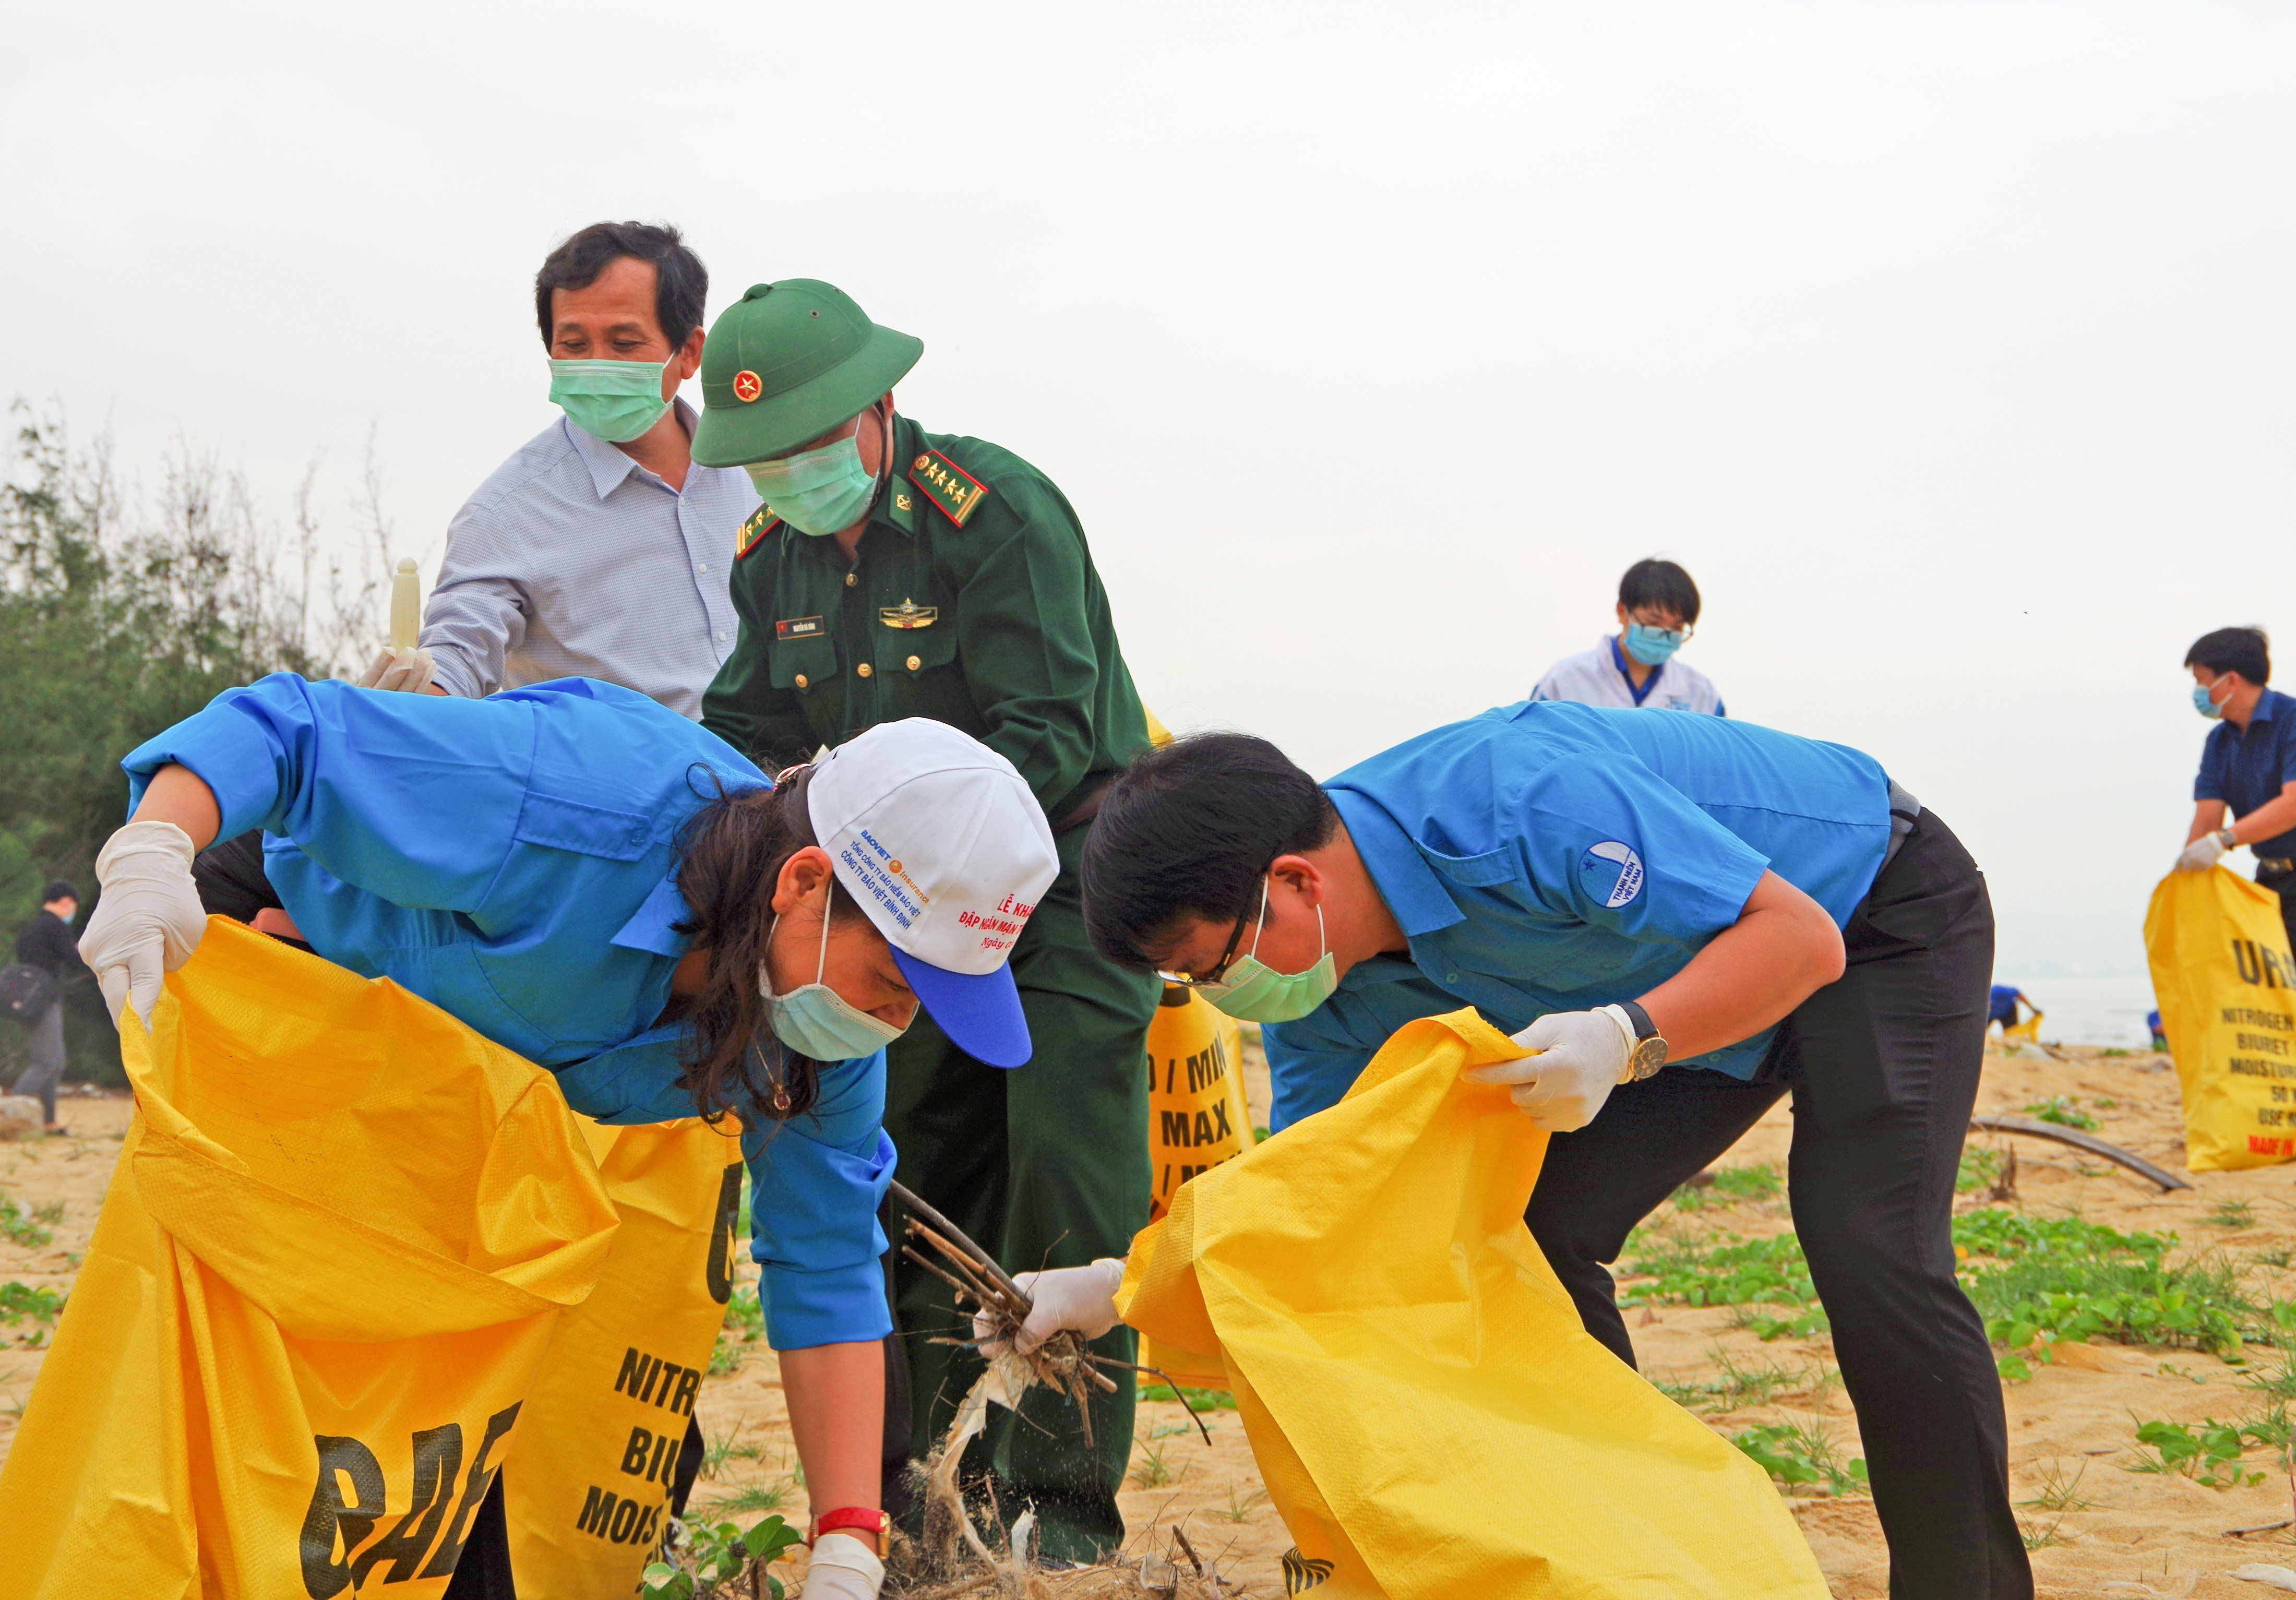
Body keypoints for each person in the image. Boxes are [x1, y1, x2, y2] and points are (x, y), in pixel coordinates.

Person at [74, 678, 1059, 1600]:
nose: (897, 1020)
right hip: (298, 953)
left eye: (926, 1003)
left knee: (534, 1480)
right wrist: (153, 848)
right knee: (278, 1410)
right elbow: (287, 731)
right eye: (897, 980)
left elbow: (827, 1260)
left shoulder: (817, 1039)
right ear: (806, 882)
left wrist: (848, 1534)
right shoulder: (570, 801)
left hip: (483, 1091)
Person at [1021, 703, 2027, 1599]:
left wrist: (1626, 1036)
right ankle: (1624, 1555)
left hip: (1867, 910)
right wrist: (1119, 1285)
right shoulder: (1324, 1008)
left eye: (1216, 964)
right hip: (1668, 989)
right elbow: (1312, 1207)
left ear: (1291, 881)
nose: (1226, 996)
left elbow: (1800, 941)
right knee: (1535, 1235)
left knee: (1869, 1240)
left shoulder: (1514, 799)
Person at [692, 278, 1156, 1560]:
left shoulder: (993, 518)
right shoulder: (768, 561)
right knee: (906, 1178)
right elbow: (748, 733)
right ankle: (918, 1511)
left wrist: (887, 831)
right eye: (762, 463)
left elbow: (1051, 735)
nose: (787, 479)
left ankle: (1055, 1527)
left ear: (879, 408)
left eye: (806, 448)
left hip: (1053, 891)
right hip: (889, 911)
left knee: (1062, 1179)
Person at [389, 222, 760, 717]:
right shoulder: (505, 515)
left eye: (624, 344)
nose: (597, 364)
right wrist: (417, 695)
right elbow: (461, 648)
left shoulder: (763, 475)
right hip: (629, 787)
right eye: (574, 345)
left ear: (689, 352)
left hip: (791, 779)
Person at [2175, 627, 2296, 950]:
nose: (2198, 692)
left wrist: (2225, 840)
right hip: (2271, 881)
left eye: (2201, 682)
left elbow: (2293, 806)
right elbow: (2206, 823)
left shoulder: (2292, 721)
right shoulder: (2219, 741)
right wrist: (2182, 882)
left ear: (2231, 680)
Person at [1530, 558, 1723, 714]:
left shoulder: (1702, 695)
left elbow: (1718, 758)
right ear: (1622, 612)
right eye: (1654, 623)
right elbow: (1531, 749)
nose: (1664, 635)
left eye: (1676, 627)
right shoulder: (1565, 681)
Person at [11, 881, 83, 1133]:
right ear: (66, 902)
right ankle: (7, 1109)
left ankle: (49, 1122)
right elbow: (74, 960)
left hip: (25, 1001)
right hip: (44, 1001)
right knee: (49, 1063)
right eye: (73, 905)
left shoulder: (32, 928)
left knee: (53, 1061)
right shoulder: (55, 926)